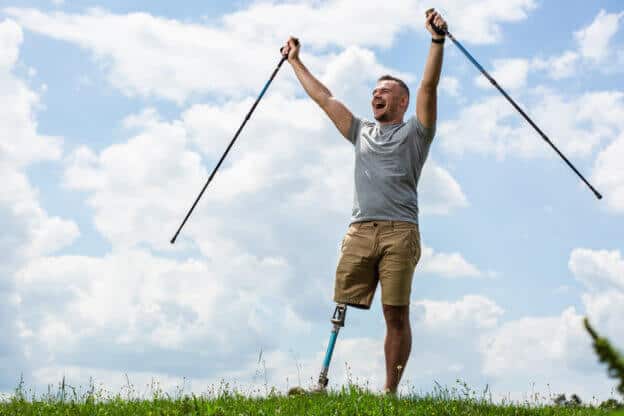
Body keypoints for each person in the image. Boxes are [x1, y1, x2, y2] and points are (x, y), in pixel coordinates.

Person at [281, 9, 447, 394]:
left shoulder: (417, 134)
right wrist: (295, 62)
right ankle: (320, 384)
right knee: (341, 303)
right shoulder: (360, 132)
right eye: (374, 91)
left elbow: (429, 87)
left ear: (402, 102)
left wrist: (436, 41)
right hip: (360, 229)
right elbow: (325, 98)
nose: (376, 94)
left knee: (396, 314)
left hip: (400, 233)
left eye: (385, 91)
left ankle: (389, 394)